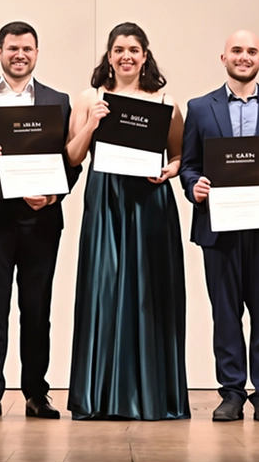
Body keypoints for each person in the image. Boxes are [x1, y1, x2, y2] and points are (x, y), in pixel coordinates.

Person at [180, 30, 259, 422]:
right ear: (223, 57)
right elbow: (189, 165)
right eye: (237, 50)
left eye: (251, 51)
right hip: (219, 228)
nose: (244, 56)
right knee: (225, 313)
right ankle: (232, 392)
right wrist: (193, 186)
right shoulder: (200, 108)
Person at [66, 22, 188, 420]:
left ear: (145, 56)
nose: (126, 56)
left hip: (150, 203)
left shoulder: (166, 101)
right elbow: (72, 157)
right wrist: (92, 122)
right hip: (106, 201)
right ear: (109, 55)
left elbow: (179, 157)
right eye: (119, 49)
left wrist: (170, 172)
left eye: (134, 49)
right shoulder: (90, 98)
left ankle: (152, 395)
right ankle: (98, 396)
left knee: (147, 295)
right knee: (104, 291)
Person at [0, 21, 79, 420]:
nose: (20, 55)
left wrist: (52, 194)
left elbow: (71, 161)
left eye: (27, 49)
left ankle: (36, 393)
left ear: (36, 53)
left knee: (37, 310)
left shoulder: (59, 101)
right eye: (12, 48)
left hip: (42, 220)